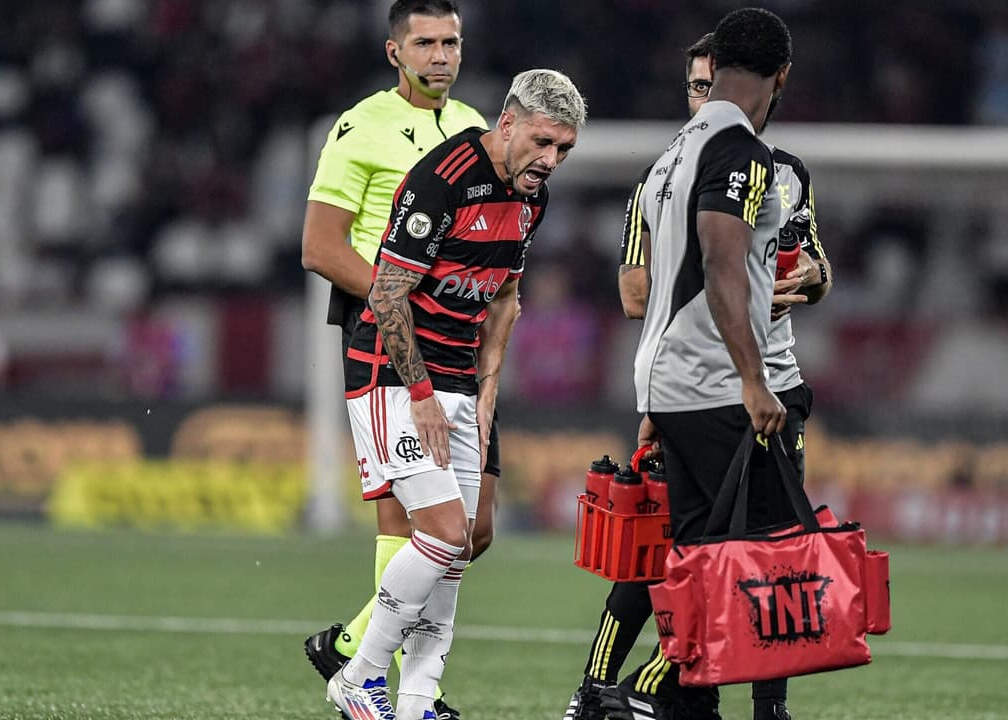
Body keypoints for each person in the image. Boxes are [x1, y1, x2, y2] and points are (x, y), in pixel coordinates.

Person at [568, 29, 832, 720]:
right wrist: (751, 380)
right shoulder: (733, 154)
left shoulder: (676, 161)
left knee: (700, 552)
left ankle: (686, 702)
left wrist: (811, 278)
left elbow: (799, 264)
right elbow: (715, 266)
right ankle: (641, 694)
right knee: (760, 557)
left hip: (684, 383)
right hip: (727, 385)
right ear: (782, 75)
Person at [326, 69, 586, 720]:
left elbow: (505, 300)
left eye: (563, 150)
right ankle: (358, 675)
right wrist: (419, 393)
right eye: (542, 142)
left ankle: (416, 702)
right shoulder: (442, 179)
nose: (550, 161)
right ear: (508, 123)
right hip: (392, 372)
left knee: (461, 545)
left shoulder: (532, 199)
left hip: (461, 379)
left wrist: (486, 394)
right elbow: (386, 294)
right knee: (441, 534)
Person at [299, 3, 491, 717]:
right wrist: (401, 297)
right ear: (394, 50)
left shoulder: (477, 127)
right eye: (426, 42)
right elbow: (320, 247)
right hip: (386, 330)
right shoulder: (362, 126)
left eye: (451, 42)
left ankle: (352, 647)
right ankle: (398, 692)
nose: (441, 55)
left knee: (474, 525)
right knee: (406, 522)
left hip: (460, 337)